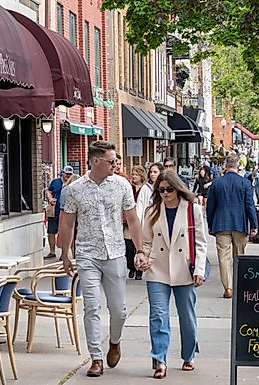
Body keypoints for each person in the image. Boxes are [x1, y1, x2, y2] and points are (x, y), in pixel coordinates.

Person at [60, 141, 146, 377]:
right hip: (87, 254)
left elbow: (133, 219)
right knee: (92, 306)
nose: (116, 165)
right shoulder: (75, 189)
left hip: (116, 252)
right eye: (112, 161)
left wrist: (139, 250)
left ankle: (115, 342)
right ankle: (96, 358)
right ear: (96, 161)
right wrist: (65, 253)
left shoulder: (121, 185)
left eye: (116, 160)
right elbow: (67, 223)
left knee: (119, 310)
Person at [139, 170, 207, 379]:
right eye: (161, 190)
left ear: (178, 189)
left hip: (184, 268)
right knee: (158, 315)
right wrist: (142, 258)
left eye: (169, 189)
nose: (166, 193)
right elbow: (146, 241)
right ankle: (159, 359)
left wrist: (200, 270)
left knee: (186, 315)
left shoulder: (192, 210)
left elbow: (201, 242)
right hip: (157, 268)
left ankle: (188, 355)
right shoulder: (152, 211)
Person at [206, 153, 258, 299]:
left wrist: (210, 224)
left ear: (225, 165)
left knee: (223, 258)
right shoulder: (245, 183)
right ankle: (239, 285)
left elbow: (210, 207)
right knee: (239, 256)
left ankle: (228, 287)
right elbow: (249, 206)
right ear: (238, 166)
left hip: (221, 224)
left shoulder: (216, 183)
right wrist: (253, 224)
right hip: (240, 224)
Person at [45, 166, 73, 259]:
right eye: (66, 174)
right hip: (54, 209)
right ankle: (52, 251)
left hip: (66, 212)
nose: (68, 176)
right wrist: (50, 198)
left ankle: (63, 254)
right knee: (51, 231)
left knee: (64, 233)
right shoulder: (55, 182)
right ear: (62, 173)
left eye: (70, 175)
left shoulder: (73, 183)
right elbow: (48, 191)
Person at [126, 165, 148, 279]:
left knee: (139, 246)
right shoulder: (129, 187)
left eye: (136, 174)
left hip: (141, 221)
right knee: (129, 246)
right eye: (133, 174)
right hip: (129, 220)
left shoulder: (145, 189)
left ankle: (139, 271)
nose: (134, 176)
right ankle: (131, 267)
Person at [56, 174, 81, 258]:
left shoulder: (64, 189)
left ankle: (64, 254)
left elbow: (61, 202)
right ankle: (74, 255)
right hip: (72, 213)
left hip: (62, 213)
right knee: (73, 235)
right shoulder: (73, 190)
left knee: (64, 234)